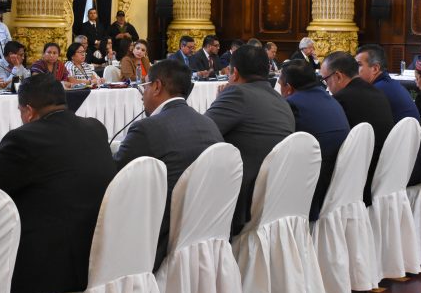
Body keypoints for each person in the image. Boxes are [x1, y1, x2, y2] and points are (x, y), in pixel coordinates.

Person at [0, 74, 116, 293]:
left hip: (48, 270)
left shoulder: (23, 139)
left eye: (20, 112)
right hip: (101, 254)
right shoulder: (95, 128)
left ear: (29, 111)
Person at [114, 60, 223, 270]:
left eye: (144, 86)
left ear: (156, 86)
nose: (142, 94)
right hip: (205, 231)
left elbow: (115, 180)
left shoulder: (146, 128)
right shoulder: (208, 123)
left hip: (159, 240)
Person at [205, 45, 295, 235]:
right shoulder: (281, 100)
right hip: (276, 193)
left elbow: (202, 134)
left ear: (235, 73)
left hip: (243, 199)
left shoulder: (237, 94)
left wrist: (220, 99)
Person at [278, 59, 350, 221]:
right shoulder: (331, 99)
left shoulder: (292, 105)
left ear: (288, 87)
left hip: (313, 192)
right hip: (339, 183)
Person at [320, 52, 394, 204]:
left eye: (326, 80)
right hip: (384, 173)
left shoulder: (341, 99)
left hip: (358, 183)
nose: (327, 86)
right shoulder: (378, 93)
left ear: (338, 76)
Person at [356, 44, 420, 123]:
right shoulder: (392, 84)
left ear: (375, 69)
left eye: (359, 65)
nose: (354, 69)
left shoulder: (375, 91)